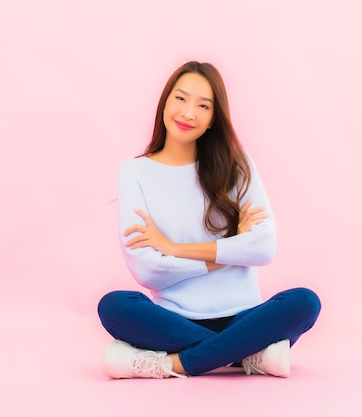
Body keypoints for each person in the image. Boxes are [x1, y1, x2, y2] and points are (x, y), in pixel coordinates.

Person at [97, 61, 321, 379]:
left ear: (214, 118)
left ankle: (168, 364)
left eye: (203, 106)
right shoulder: (135, 173)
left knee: (304, 302)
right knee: (114, 305)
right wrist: (230, 250)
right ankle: (247, 354)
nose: (189, 113)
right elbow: (148, 270)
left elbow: (264, 247)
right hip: (173, 320)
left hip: (245, 317)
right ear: (165, 101)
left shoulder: (238, 164)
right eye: (181, 98)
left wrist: (173, 248)